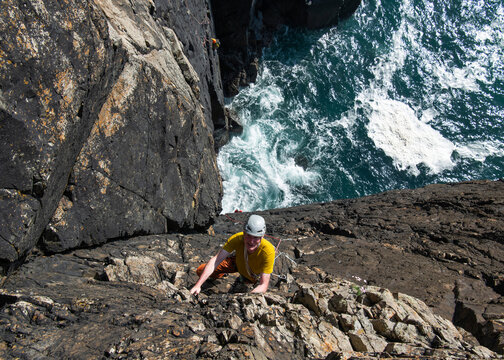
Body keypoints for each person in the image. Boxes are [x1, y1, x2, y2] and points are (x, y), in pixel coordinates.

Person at [190, 215, 275, 295]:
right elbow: (215, 261)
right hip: (237, 263)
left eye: (256, 237)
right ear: (244, 233)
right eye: (248, 236)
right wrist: (198, 285)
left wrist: (247, 298)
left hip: (252, 275)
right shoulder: (236, 239)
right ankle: (221, 274)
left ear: (262, 236)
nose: (251, 241)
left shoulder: (268, 251)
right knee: (200, 271)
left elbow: (263, 284)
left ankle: (244, 279)